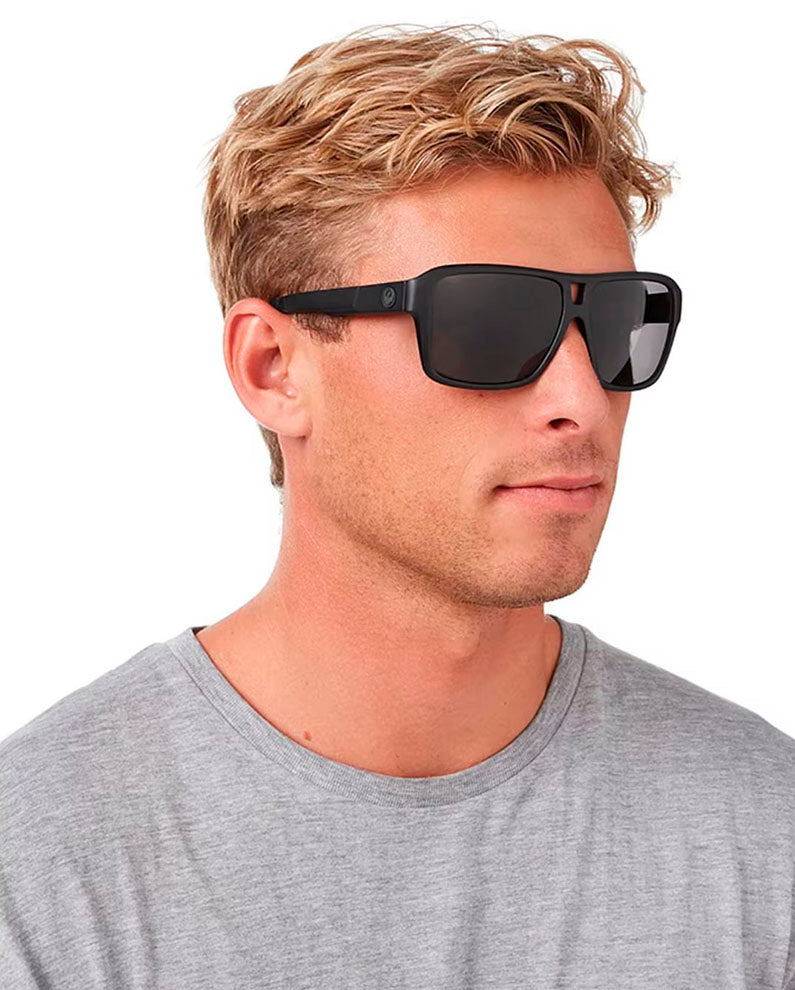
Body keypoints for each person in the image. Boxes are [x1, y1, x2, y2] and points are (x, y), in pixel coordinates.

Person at [1, 21, 793, 989]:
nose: (582, 399)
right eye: (490, 324)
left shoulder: (763, 834)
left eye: (617, 323)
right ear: (273, 367)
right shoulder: (41, 870)